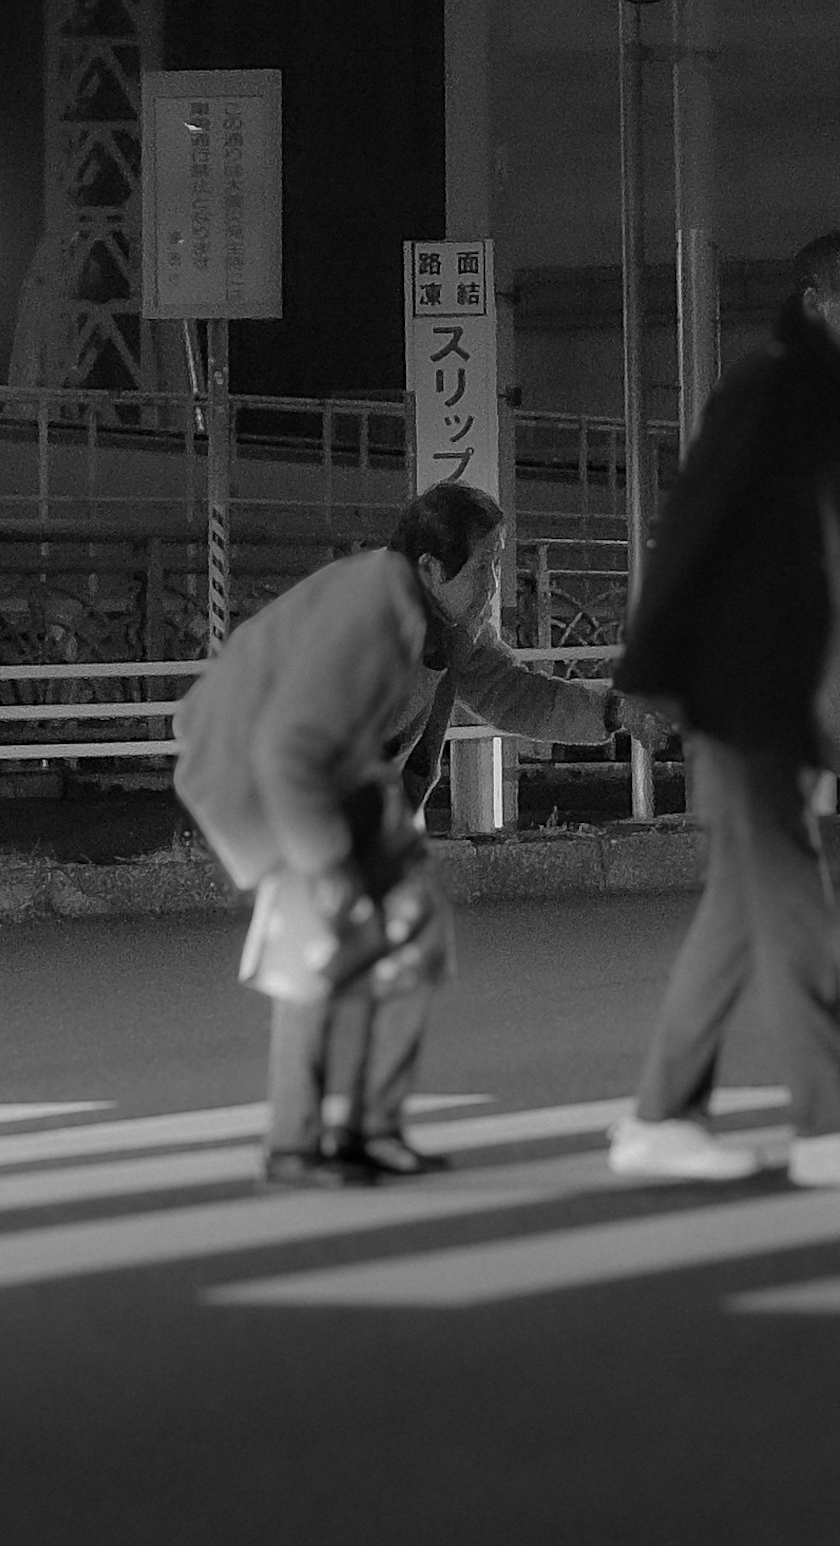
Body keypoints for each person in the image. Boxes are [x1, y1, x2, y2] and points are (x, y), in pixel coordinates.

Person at [174, 481, 616, 1188]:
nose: (495, 581)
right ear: (431, 569)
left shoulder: (447, 621)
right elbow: (288, 745)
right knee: (314, 963)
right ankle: (296, 1143)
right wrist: (325, 866)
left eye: (498, 562)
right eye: (485, 565)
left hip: (355, 785)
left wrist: (612, 710)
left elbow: (512, 691)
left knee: (408, 947)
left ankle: (372, 1130)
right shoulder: (364, 618)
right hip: (282, 780)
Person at [606, 230, 840, 1193]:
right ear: (815, 301)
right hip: (740, 690)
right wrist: (647, 674)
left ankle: (661, 1115)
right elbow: (690, 526)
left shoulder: (833, 410)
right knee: (795, 904)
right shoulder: (771, 391)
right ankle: (823, 1128)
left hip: (778, 686)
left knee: (739, 913)